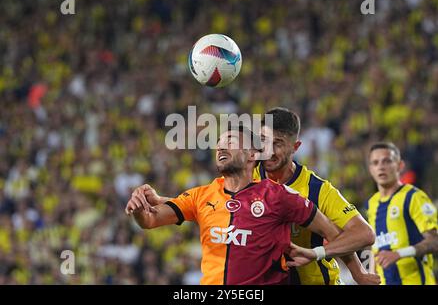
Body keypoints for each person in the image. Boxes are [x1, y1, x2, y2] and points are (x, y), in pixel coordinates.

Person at [126, 125, 363, 285]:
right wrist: (139, 208)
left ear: (252, 155)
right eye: (219, 143)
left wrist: (357, 272)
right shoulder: (202, 195)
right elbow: (150, 220)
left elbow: (333, 234)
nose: (220, 147)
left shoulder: (280, 196)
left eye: (229, 141)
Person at [254, 107, 378, 285]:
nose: (269, 151)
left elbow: (364, 234)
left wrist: (317, 253)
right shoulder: (246, 178)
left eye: (278, 143)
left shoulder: (316, 189)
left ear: (295, 147)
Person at [366, 142, 438, 285]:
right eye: (375, 162)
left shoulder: (414, 197)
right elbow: (376, 247)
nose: (381, 166)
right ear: (370, 169)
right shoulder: (372, 203)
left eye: (387, 161)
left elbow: (434, 241)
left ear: (400, 166)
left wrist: (399, 254)